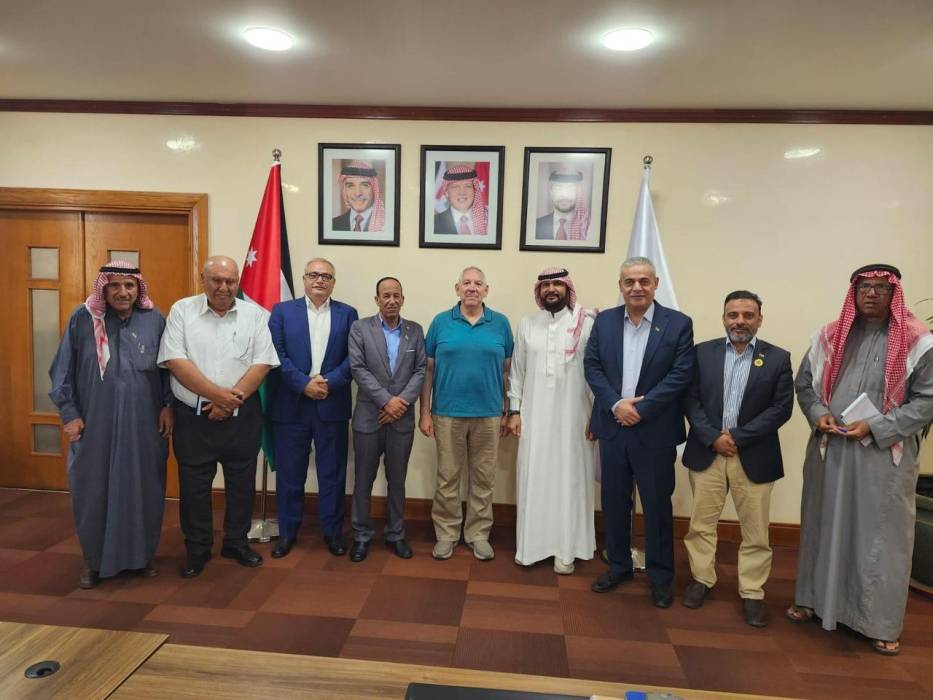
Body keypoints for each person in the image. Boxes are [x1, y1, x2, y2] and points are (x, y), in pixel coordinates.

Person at [787, 263, 933, 656]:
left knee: (881, 537)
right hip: (831, 450)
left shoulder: (919, 342)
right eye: (864, 287)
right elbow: (805, 384)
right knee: (822, 525)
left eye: (880, 288)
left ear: (894, 293)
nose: (871, 294)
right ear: (853, 293)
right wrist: (819, 413)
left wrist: (877, 427)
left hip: (883, 458)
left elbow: (927, 400)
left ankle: (878, 622)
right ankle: (813, 600)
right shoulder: (829, 337)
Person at [49, 261, 173, 589]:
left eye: (129, 286)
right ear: (103, 289)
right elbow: (61, 371)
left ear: (138, 289)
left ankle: (141, 557)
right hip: (94, 425)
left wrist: (168, 406)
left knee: (144, 489)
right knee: (93, 491)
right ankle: (94, 562)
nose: (122, 292)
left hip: (143, 424)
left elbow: (168, 370)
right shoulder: (82, 319)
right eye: (114, 285)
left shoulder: (154, 320)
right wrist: (70, 414)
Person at [158, 255, 279, 578]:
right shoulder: (182, 311)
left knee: (242, 484)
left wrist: (229, 401)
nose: (224, 287)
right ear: (203, 279)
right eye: (216, 280)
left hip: (242, 416)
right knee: (194, 488)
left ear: (238, 282)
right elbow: (175, 361)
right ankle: (197, 549)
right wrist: (218, 397)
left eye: (230, 281)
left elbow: (262, 363)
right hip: (193, 418)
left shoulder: (256, 315)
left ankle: (236, 543)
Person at [584, 256, 694, 607]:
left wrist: (640, 410)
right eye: (629, 281)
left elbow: (680, 374)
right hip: (613, 427)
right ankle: (619, 566)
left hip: (655, 431)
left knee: (657, 505)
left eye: (644, 281)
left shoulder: (678, 324)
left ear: (655, 284)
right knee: (614, 502)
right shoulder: (604, 322)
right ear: (620, 285)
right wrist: (617, 404)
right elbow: (592, 366)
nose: (636, 288)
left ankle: (661, 578)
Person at [681, 290, 794, 627]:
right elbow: (690, 400)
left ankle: (752, 592)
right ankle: (702, 579)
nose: (740, 321)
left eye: (748, 315)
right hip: (708, 451)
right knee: (701, 525)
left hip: (754, 455)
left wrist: (738, 437)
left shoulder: (777, 358)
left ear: (759, 319)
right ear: (724, 318)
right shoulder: (702, 353)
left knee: (756, 531)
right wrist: (713, 437)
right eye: (733, 315)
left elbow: (781, 409)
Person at [507, 267, 597, 575]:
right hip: (533, 417)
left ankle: (566, 550)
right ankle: (531, 548)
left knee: (570, 479)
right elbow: (517, 371)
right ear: (539, 291)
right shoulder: (527, 324)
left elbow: (597, 373)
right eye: (545, 285)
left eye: (557, 283)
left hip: (575, 417)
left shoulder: (586, 323)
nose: (551, 289)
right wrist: (514, 411)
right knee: (534, 476)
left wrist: (596, 416)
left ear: (567, 288)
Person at [267, 258, 359, 558]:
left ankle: (332, 532)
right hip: (291, 405)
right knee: (290, 474)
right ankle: (287, 532)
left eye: (326, 276)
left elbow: (354, 357)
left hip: (331, 404)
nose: (320, 280)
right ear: (305, 279)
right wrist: (303, 384)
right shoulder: (282, 312)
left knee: (332, 474)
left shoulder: (348, 314)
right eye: (314, 275)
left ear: (333, 282)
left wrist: (328, 382)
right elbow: (276, 354)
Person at [420, 266, 513, 561]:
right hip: (447, 413)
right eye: (467, 283)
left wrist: (509, 411)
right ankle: (446, 533)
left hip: (489, 414)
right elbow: (428, 371)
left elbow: (509, 372)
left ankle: (478, 534)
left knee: (484, 478)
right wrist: (424, 412)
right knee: (448, 477)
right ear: (457, 288)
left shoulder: (500, 323)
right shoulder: (440, 322)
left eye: (478, 283)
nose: (472, 288)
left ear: (486, 290)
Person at [347, 276, 426, 562]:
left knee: (397, 480)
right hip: (369, 418)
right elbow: (358, 368)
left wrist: (400, 403)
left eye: (396, 295)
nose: (391, 300)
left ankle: (396, 534)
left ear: (403, 299)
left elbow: (420, 370)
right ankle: (361, 535)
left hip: (401, 420)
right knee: (363, 480)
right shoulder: (360, 328)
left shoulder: (415, 330)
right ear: (377, 299)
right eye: (386, 295)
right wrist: (387, 401)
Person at [535, 167, 590, 241]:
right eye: (558, 189)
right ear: (551, 193)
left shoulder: (588, 228)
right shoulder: (536, 226)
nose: (564, 195)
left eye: (570, 189)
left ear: (578, 193)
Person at [332, 161, 385, 232]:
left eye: (365, 185)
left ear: (374, 190)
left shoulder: (386, 224)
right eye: (350, 186)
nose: (357, 193)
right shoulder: (333, 224)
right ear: (344, 191)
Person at [434, 165, 488, 235]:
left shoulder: (488, 220)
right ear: (446, 192)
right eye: (455, 187)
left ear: (475, 190)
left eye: (467, 186)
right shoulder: (434, 224)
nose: (462, 192)